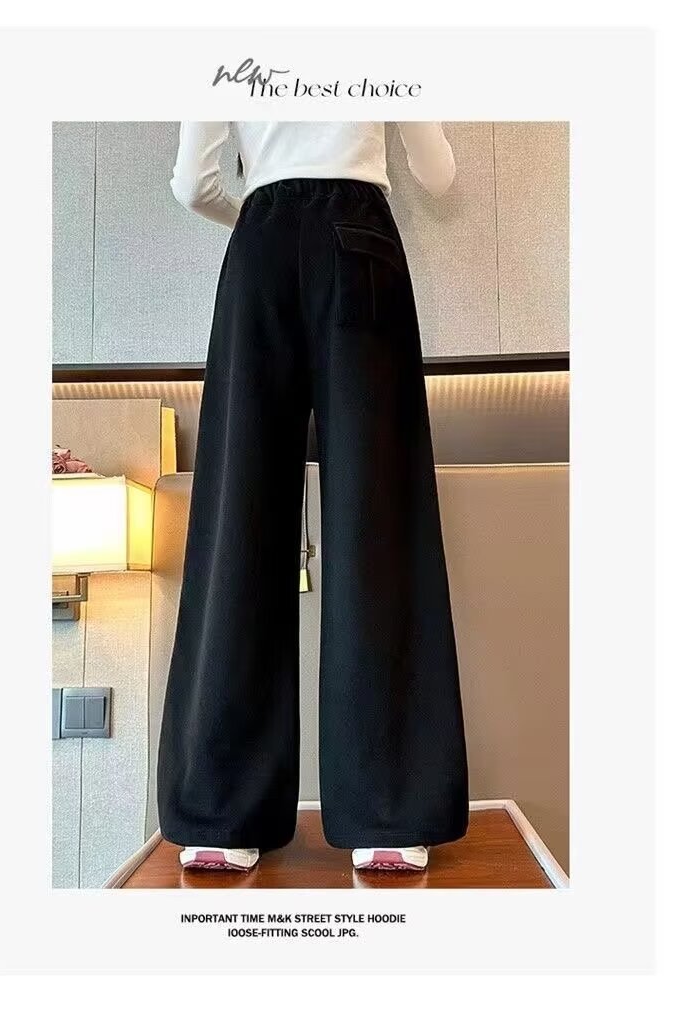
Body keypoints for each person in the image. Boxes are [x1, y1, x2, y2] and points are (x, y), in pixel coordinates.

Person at [157, 121, 469, 874]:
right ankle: (388, 814)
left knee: (239, 518)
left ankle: (221, 817)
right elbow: (437, 173)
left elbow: (192, 183)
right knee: (377, 518)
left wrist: (267, 214)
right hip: (360, 243)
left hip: (259, 246)